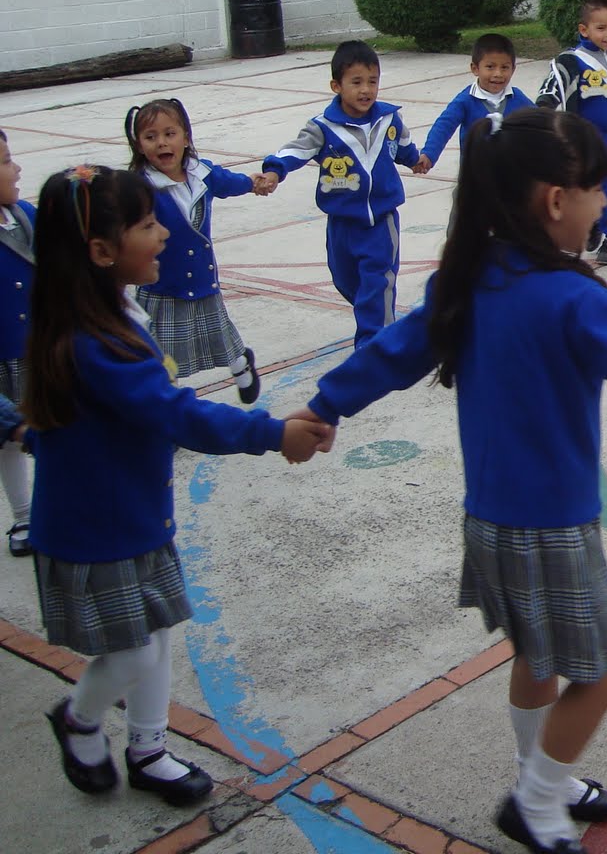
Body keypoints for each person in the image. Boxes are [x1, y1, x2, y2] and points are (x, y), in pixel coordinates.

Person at [296, 108, 607, 854]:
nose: (604, 206)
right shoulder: (574, 296)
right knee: (606, 675)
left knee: (537, 660)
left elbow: (390, 352)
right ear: (555, 200)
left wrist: (323, 406)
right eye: (596, 192)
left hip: (489, 521)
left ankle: (538, 773)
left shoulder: (469, 277)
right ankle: (538, 802)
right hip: (551, 526)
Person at [28, 166, 327, 807]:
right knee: (134, 652)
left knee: (156, 638)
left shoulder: (115, 311)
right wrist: (273, 433)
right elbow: (176, 413)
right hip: (95, 529)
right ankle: (79, 718)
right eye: (146, 225)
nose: (164, 233)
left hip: (135, 517)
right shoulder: (95, 343)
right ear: (102, 252)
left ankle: (148, 748)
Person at [256, 41, 422, 345]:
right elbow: (296, 150)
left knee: (378, 280)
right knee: (346, 280)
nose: (366, 90)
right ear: (336, 85)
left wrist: (416, 160)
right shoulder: (323, 128)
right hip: (341, 223)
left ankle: (375, 345)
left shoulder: (388, 119)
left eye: (372, 81)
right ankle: (371, 317)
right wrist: (274, 171)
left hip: (380, 221)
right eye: (356, 82)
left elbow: (403, 147)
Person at [125, 98, 269, 401]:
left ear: (186, 138)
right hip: (162, 285)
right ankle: (168, 407)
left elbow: (227, 181)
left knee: (221, 336)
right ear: (139, 145)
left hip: (203, 277)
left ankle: (242, 366)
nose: (161, 143)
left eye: (169, 133)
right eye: (150, 137)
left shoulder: (201, 173)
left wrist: (251, 183)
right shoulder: (139, 187)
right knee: (161, 355)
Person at [537, 0, 607, 265]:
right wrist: (544, 110)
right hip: (585, 138)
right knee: (584, 184)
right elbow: (553, 88)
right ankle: (592, 222)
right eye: (601, 28)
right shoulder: (572, 60)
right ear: (584, 30)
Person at [415, 32, 535, 174]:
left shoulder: (518, 98)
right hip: (475, 177)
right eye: (490, 67)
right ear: (475, 69)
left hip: (511, 176)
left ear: (513, 69)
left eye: (505, 67)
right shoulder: (465, 100)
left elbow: (541, 122)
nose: (498, 73)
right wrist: (429, 154)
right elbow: (444, 126)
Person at [0, 129, 33, 556]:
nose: (18, 168)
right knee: (8, 439)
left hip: (39, 351)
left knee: (56, 425)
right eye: (7, 162)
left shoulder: (24, 214)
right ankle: (23, 514)